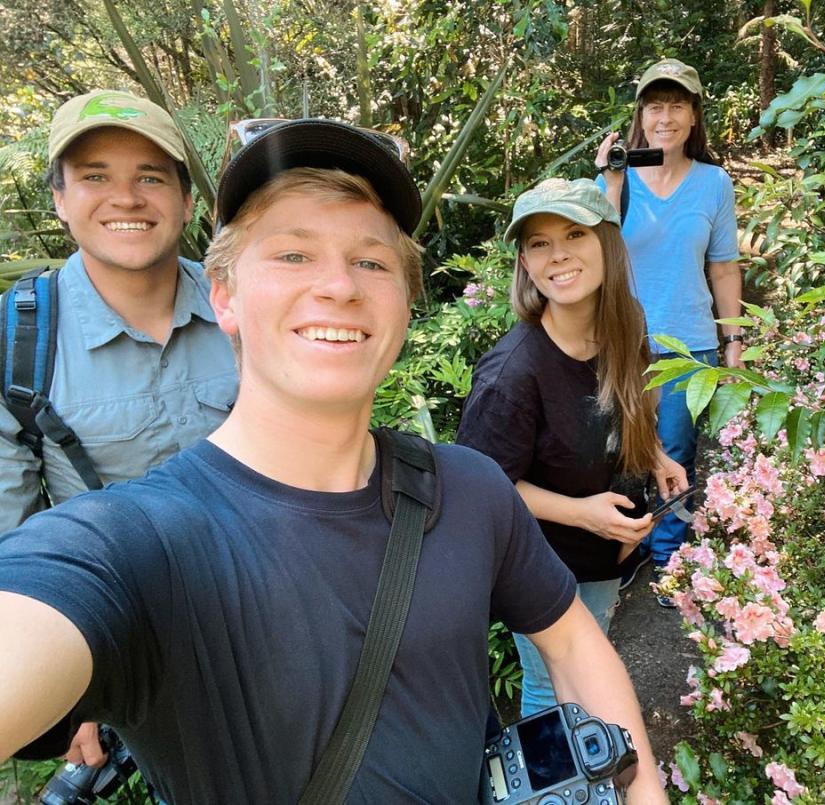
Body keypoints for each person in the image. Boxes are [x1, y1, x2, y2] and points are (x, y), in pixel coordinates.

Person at [0, 120, 668, 804]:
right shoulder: (137, 544)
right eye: (292, 254)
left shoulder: (470, 491)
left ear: (406, 303)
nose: (339, 285)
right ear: (222, 294)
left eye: (372, 261)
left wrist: (642, 788)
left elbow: (574, 646)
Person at [0, 90, 237, 767]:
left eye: (151, 177)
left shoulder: (247, 307)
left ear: (187, 201)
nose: (126, 198)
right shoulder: (22, 336)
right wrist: (57, 686)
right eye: (96, 176)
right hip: (126, 643)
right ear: (60, 200)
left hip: (268, 615)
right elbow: (11, 532)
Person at [456, 177, 686, 717]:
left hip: (604, 554)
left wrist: (654, 455)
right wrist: (584, 515)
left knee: (593, 656)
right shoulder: (512, 375)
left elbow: (625, 404)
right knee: (553, 690)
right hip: (544, 565)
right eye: (539, 243)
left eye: (575, 234)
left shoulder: (626, 322)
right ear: (525, 262)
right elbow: (480, 488)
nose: (558, 255)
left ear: (606, 241)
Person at [595, 58, 744, 602]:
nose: (666, 116)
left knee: (676, 453)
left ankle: (670, 560)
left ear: (694, 114)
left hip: (691, 342)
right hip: (622, 341)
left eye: (677, 104)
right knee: (617, 449)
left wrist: (734, 343)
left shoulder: (714, 184)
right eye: (655, 105)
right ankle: (624, 547)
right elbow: (597, 252)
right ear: (640, 113)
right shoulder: (615, 177)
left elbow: (724, 267)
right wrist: (611, 182)